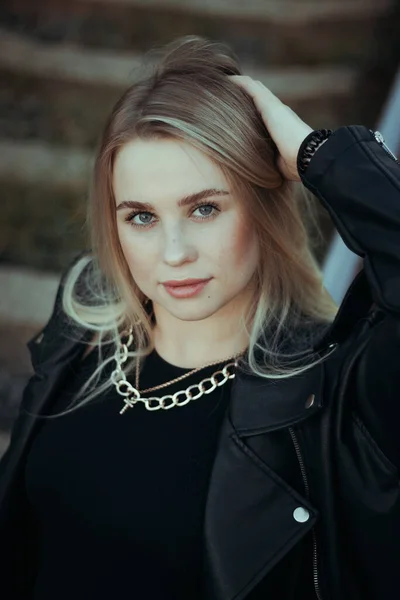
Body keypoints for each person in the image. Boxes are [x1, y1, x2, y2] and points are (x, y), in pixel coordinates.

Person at [0, 36, 399, 600]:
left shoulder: (333, 397)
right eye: (141, 216)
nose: (174, 252)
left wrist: (317, 155)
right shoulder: (84, 327)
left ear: (262, 207)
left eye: (205, 208)